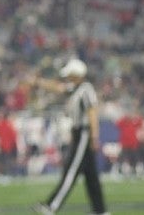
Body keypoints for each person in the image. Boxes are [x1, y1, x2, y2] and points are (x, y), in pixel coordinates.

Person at [31, 58, 109, 215]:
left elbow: (92, 112)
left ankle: (51, 206)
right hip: (79, 133)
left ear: (77, 74)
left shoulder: (85, 89)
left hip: (84, 132)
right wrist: (39, 82)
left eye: (70, 75)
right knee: (91, 176)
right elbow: (59, 88)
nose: (68, 78)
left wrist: (94, 136)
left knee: (71, 171)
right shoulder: (77, 88)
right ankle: (100, 211)